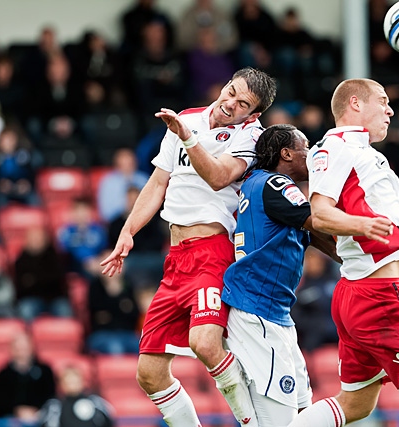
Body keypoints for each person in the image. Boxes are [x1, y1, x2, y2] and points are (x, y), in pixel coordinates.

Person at [100, 67, 276, 427]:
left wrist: (187, 139)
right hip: (176, 258)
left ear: (253, 114)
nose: (231, 103)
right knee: (148, 374)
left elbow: (218, 177)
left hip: (213, 251)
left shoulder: (250, 137)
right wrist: (128, 231)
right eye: (231, 91)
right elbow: (157, 182)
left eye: (243, 103)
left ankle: (251, 422)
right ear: (225, 84)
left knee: (206, 343)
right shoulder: (188, 119)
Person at [287, 78, 399, 427]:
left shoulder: (368, 156)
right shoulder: (335, 147)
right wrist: (363, 228)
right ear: (355, 103)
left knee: (356, 405)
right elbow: (321, 213)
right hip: (378, 298)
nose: (390, 109)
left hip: (362, 292)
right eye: (383, 101)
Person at [222, 124, 337, 425]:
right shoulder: (277, 185)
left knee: (302, 411)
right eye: (306, 147)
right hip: (259, 313)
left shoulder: (255, 183)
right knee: (282, 421)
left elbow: (317, 233)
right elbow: (320, 222)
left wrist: (364, 262)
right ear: (286, 153)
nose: (310, 154)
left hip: (273, 313)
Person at [0, 332, 56, 426]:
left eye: (24, 347)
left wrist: (36, 411)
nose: (21, 351)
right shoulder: (4, 374)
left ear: (32, 348)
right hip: (10, 419)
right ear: (12, 349)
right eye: (18, 348)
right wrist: (16, 411)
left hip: (40, 417)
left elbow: (51, 397)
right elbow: (1, 402)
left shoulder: (45, 371)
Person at [39, 365, 114, 427]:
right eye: (69, 382)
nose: (72, 385)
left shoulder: (96, 402)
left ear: (83, 382)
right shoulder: (54, 406)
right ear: (61, 384)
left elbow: (108, 422)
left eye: (75, 381)